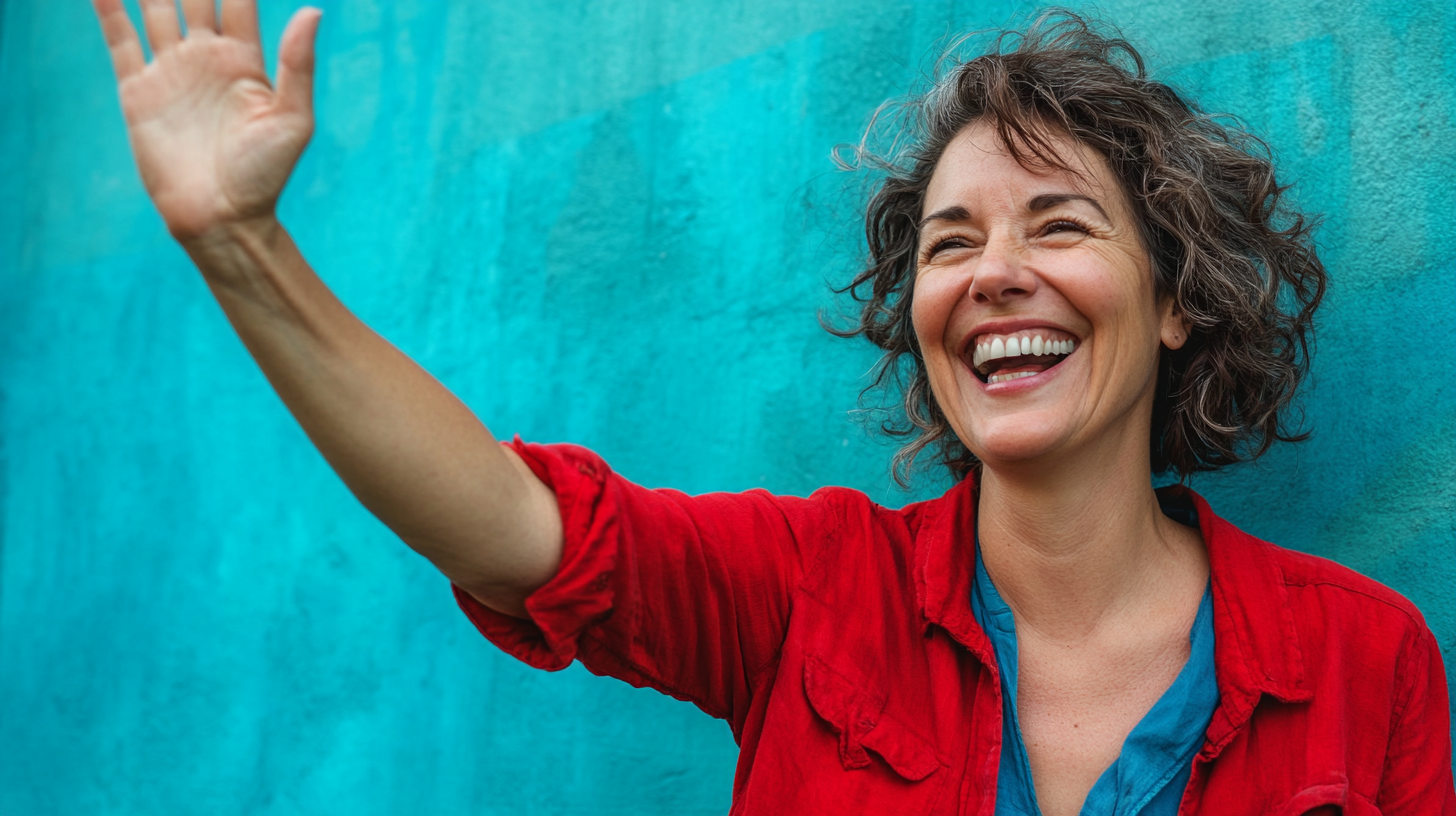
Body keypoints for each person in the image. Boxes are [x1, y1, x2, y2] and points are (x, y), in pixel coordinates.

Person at [90, 1, 1453, 813]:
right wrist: (240, 246)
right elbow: (513, 526)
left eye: (1057, 225)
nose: (995, 277)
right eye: (949, 244)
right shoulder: (812, 594)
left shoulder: (1365, 664)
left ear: (1172, 300)